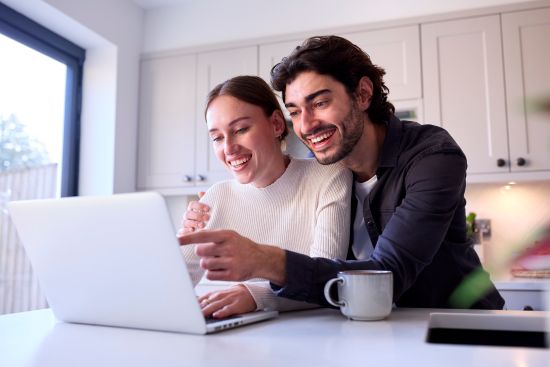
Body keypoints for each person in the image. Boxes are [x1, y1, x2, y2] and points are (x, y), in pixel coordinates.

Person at [179, 36, 505, 310]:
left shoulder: (431, 156)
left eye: (319, 103)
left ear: (363, 94)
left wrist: (264, 264)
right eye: (295, 111)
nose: (306, 126)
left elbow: (386, 276)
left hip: (455, 323)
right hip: (375, 327)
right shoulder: (327, 165)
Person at [179, 75, 352, 318]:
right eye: (217, 137)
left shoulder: (328, 176)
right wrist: (181, 239)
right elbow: (171, 284)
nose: (228, 148)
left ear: (276, 124)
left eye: (240, 129)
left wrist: (255, 296)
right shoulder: (217, 196)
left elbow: (327, 278)